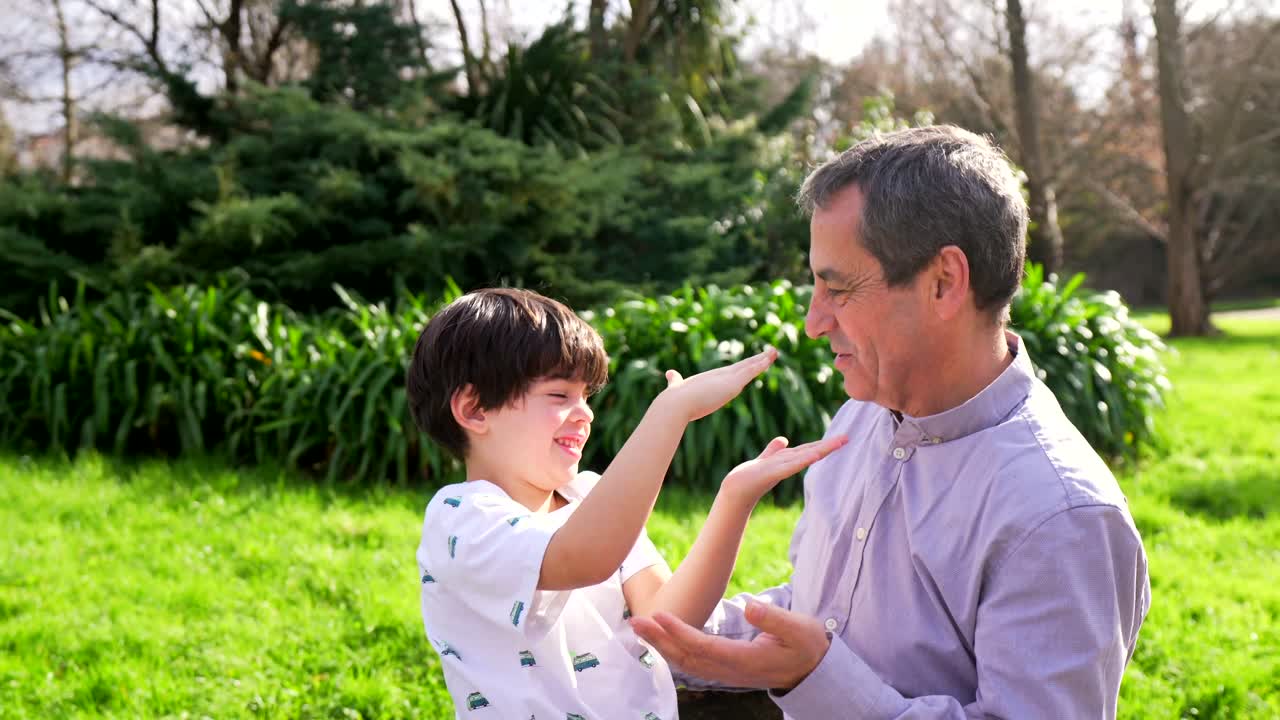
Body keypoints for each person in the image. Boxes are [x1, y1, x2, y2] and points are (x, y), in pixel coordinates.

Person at [631, 125, 1152, 719]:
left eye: (838, 288)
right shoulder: (859, 419)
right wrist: (691, 632)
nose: (812, 321)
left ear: (943, 282)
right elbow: (832, 618)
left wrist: (817, 676)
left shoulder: (1059, 516)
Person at [405, 287, 846, 719]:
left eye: (586, 396)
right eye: (560, 395)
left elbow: (669, 621)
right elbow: (586, 555)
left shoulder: (590, 497)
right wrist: (670, 414)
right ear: (475, 409)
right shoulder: (462, 520)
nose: (585, 413)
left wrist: (734, 499)